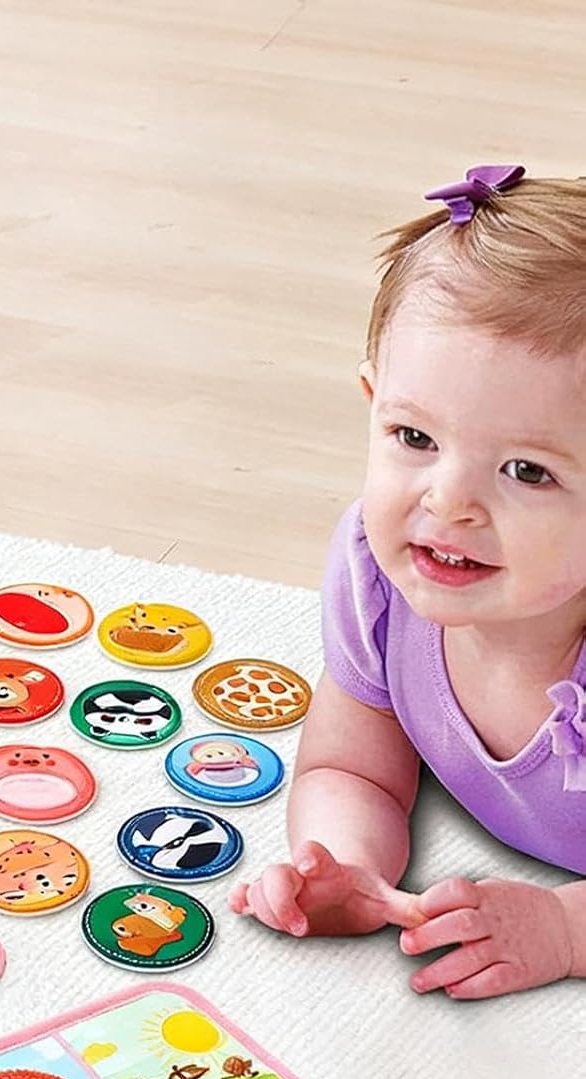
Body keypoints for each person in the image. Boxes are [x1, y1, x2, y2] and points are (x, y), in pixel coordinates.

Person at [231, 164, 586, 1000]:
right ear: (372, 402)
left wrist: (567, 929)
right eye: (414, 437)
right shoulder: (379, 578)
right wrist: (343, 863)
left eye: (527, 470)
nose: (448, 501)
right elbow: (350, 765)